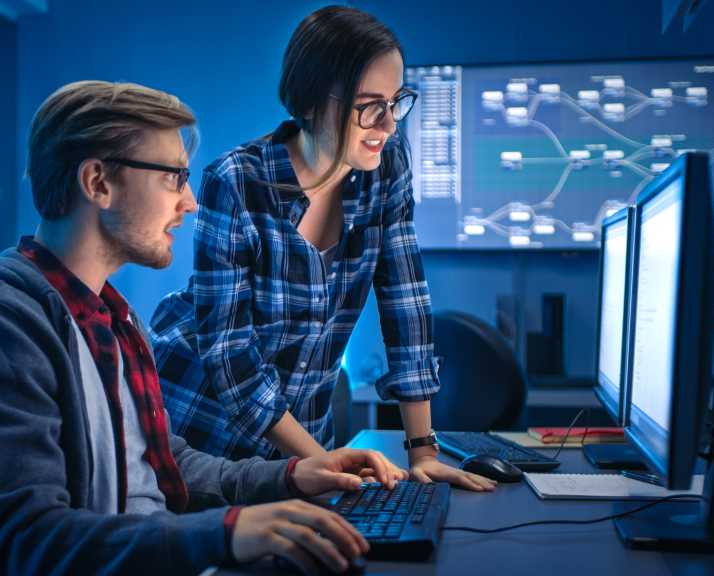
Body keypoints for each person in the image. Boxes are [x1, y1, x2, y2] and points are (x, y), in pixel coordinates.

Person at [0, 80, 404, 576]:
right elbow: (29, 542)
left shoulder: (109, 317)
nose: (190, 202)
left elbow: (171, 467)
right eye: (174, 177)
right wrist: (226, 533)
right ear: (98, 183)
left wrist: (294, 476)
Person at [150, 5, 496, 491]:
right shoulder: (237, 181)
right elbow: (230, 356)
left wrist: (423, 449)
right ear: (312, 102)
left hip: (307, 439)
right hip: (206, 426)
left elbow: (405, 297)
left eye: (396, 102)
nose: (389, 124)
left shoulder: (386, 165)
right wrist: (328, 466)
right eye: (371, 106)